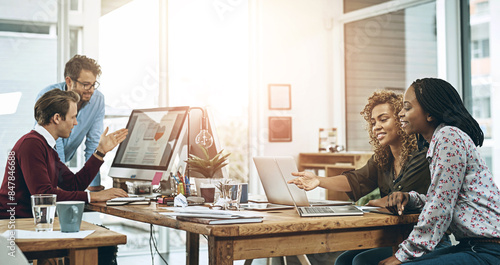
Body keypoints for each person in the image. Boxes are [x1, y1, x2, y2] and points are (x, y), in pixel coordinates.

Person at [288, 90, 435, 265]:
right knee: (343, 260)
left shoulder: (422, 156)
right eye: (373, 122)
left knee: (360, 261)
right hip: (392, 236)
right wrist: (319, 181)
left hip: (421, 239)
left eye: (383, 119)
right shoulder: (383, 158)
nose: (376, 127)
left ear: (400, 120)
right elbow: (356, 179)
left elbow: (395, 199)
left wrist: (376, 203)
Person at [380, 78, 500, 265]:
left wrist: (402, 255)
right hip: (474, 246)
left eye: (408, 107)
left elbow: (440, 206)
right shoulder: (441, 140)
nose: (401, 114)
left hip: (489, 249)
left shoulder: (448, 137)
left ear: (430, 114)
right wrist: (410, 198)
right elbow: (444, 197)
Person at [0, 89, 128, 219]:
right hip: (13, 225)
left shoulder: (46, 146)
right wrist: (93, 196)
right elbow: (44, 195)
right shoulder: (31, 144)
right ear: (57, 118)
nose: (75, 123)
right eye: (73, 117)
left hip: (29, 223)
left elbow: (73, 185)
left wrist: (100, 152)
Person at [36, 54, 105, 191]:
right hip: (45, 168)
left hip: (60, 168)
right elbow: (55, 144)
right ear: (69, 81)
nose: (91, 90)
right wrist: (60, 184)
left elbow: (93, 143)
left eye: (93, 84)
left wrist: (94, 186)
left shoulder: (98, 100)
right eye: (86, 85)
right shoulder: (50, 97)